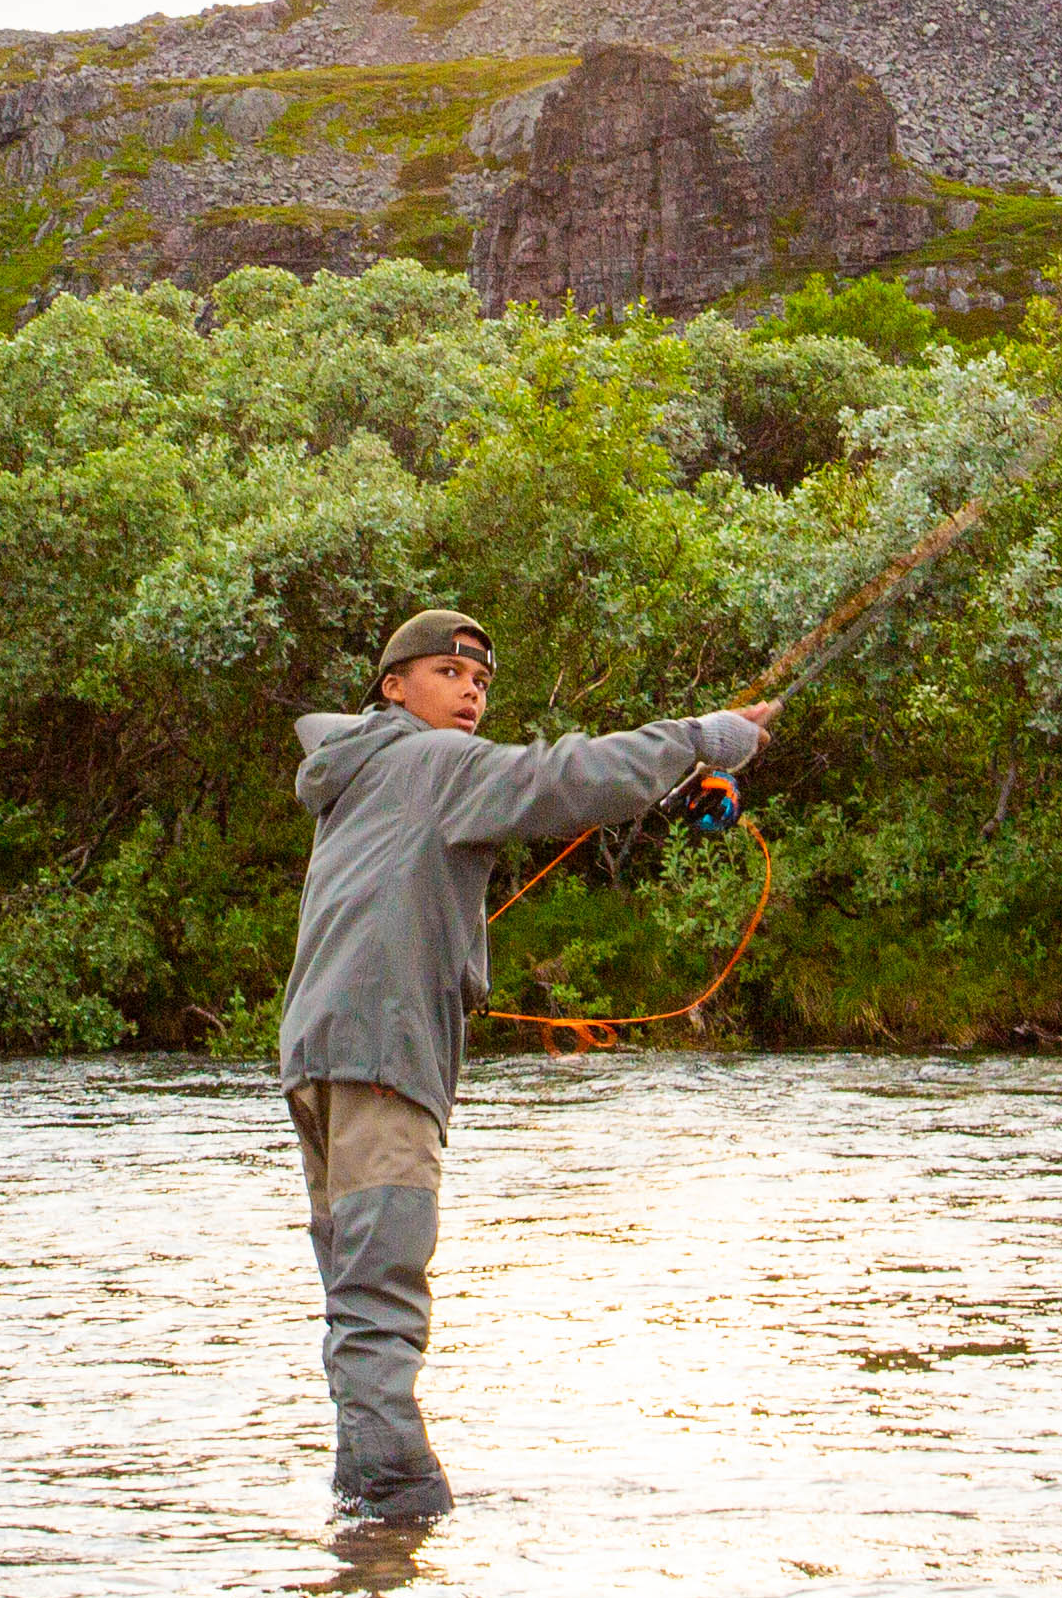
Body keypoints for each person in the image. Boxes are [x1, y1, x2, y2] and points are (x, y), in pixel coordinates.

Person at [277, 607, 773, 1526]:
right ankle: (398, 1506)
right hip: (386, 1058)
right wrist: (709, 739)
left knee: (356, 1302)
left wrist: (677, 781)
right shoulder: (429, 762)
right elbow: (567, 776)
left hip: (318, 1064)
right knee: (380, 1301)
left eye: (481, 683)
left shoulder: (359, 775)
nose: (471, 693)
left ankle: (363, 1535)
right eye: (448, 674)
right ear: (393, 688)